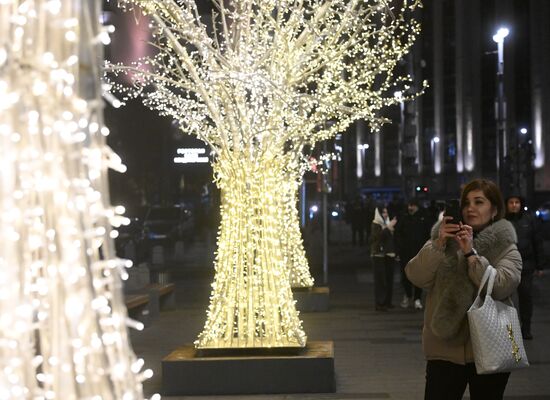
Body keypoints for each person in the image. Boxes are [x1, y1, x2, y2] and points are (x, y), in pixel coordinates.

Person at [405, 179, 522, 400]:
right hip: (444, 349)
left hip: (490, 348)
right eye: (466, 202)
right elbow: (415, 275)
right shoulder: (442, 243)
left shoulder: (506, 248)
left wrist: (471, 255)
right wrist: (438, 244)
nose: (470, 208)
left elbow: (499, 287)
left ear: (494, 209)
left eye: (479, 202)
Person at [505, 195, 543, 340]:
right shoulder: (502, 221)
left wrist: (540, 265)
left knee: (526, 297)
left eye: (517, 202)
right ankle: (507, 329)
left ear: (521, 204)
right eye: (511, 202)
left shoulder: (529, 220)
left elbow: (536, 241)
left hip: (526, 266)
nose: (514, 205)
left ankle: (526, 328)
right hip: (507, 266)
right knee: (505, 298)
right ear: (507, 204)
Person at [395, 198, 430, 309]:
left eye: (412, 205)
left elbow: (427, 235)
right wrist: (399, 249)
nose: (410, 208)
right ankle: (408, 295)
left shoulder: (423, 218)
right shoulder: (404, 218)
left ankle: (417, 298)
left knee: (418, 277)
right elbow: (397, 234)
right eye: (409, 205)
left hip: (419, 253)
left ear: (417, 206)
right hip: (405, 253)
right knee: (405, 276)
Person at [370, 206, 398, 311]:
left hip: (389, 254)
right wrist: (387, 228)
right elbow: (377, 238)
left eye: (386, 212)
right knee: (380, 280)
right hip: (378, 254)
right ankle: (380, 303)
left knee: (388, 279)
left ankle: (387, 302)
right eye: (383, 212)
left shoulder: (387, 223)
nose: (386, 214)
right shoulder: (375, 224)